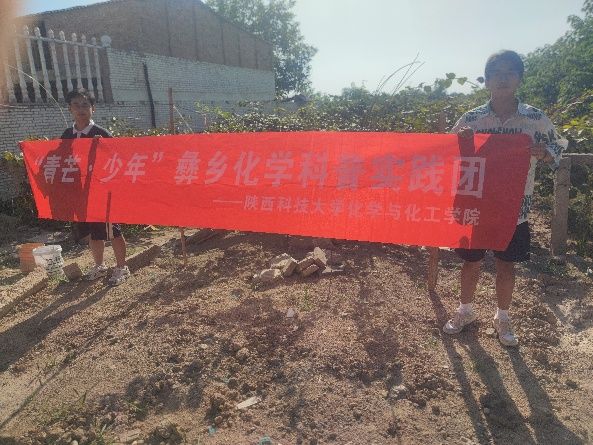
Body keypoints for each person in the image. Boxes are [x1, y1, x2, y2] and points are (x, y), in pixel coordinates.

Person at [442, 50, 566, 346]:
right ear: (486, 81)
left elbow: (559, 145)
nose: (503, 78)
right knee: (470, 263)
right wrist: (462, 141)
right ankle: (465, 310)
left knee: (506, 265)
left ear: (519, 79)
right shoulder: (471, 119)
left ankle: (503, 317)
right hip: (476, 206)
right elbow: (447, 152)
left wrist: (544, 153)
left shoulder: (535, 118)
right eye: (496, 73)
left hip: (514, 209)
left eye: (510, 72)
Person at [61, 88, 131, 286]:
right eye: (76, 105)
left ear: (93, 109)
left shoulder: (101, 134)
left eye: (85, 105)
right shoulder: (67, 135)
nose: (81, 109)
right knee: (92, 231)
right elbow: (58, 159)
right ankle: (99, 266)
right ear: (69, 109)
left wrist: (103, 147)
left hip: (102, 192)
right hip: (80, 193)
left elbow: (117, 159)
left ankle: (122, 267)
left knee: (112, 231)